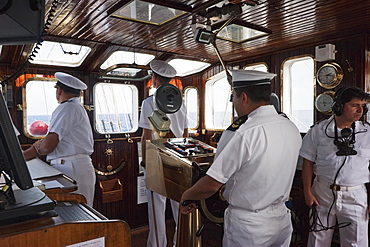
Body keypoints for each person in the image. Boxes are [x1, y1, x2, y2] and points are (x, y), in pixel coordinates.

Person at [180, 70, 302, 247]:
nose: (234, 103)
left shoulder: (243, 133)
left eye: (234, 98)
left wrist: (187, 195)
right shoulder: (291, 127)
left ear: (243, 97)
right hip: (282, 219)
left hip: (249, 225)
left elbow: (212, 184)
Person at [300, 86, 370, 246]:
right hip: (322, 193)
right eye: (354, 105)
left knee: (356, 243)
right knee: (317, 241)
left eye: (362, 105)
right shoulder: (318, 131)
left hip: (356, 194)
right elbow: (307, 162)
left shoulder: (367, 132)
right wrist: (307, 192)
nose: (360, 110)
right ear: (338, 106)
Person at [23, 72, 95, 207]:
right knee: (81, 214)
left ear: (59, 90)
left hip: (71, 168)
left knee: (77, 214)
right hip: (75, 166)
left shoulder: (67, 107)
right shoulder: (75, 107)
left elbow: (47, 146)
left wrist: (22, 156)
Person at [139, 60, 188, 247]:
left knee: (156, 208)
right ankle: (180, 242)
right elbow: (185, 133)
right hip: (178, 157)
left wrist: (145, 161)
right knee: (179, 206)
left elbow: (146, 135)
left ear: (154, 78)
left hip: (157, 157)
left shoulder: (149, 102)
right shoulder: (181, 103)